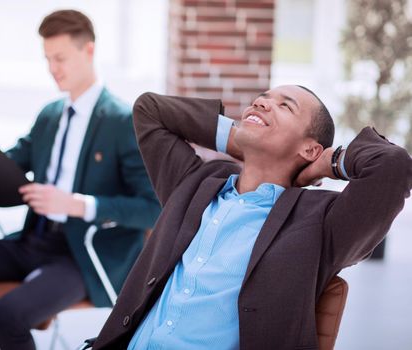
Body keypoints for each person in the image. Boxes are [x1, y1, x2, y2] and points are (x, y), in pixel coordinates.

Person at [91, 85, 412, 349]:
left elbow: (394, 167)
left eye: (285, 106)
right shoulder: (194, 184)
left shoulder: (320, 221)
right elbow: (150, 110)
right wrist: (242, 138)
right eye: (263, 99)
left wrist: (329, 163)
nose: (262, 102)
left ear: (310, 149)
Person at [0, 9, 160, 350]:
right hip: (34, 240)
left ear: (88, 51)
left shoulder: (122, 121)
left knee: (8, 315)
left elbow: (152, 208)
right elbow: (10, 163)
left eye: (60, 58)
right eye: (47, 59)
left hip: (83, 255)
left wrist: (77, 204)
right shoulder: (49, 116)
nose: (52, 69)